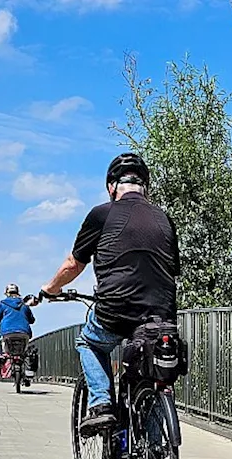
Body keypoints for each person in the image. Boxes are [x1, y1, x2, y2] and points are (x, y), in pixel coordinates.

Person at [40, 152, 180, 436]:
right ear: (145, 187)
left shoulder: (102, 214)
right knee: (149, 373)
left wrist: (50, 289)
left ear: (111, 187)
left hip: (115, 309)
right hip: (160, 314)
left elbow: (73, 264)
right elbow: (173, 268)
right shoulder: (164, 219)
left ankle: (102, 403)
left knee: (89, 343)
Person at [0, 283, 36, 375]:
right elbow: (32, 320)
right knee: (25, 352)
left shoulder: (3, 303)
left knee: (6, 349)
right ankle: (27, 372)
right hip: (23, 332)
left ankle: (5, 361)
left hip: (8, 332)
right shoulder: (25, 304)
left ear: (6, 293)